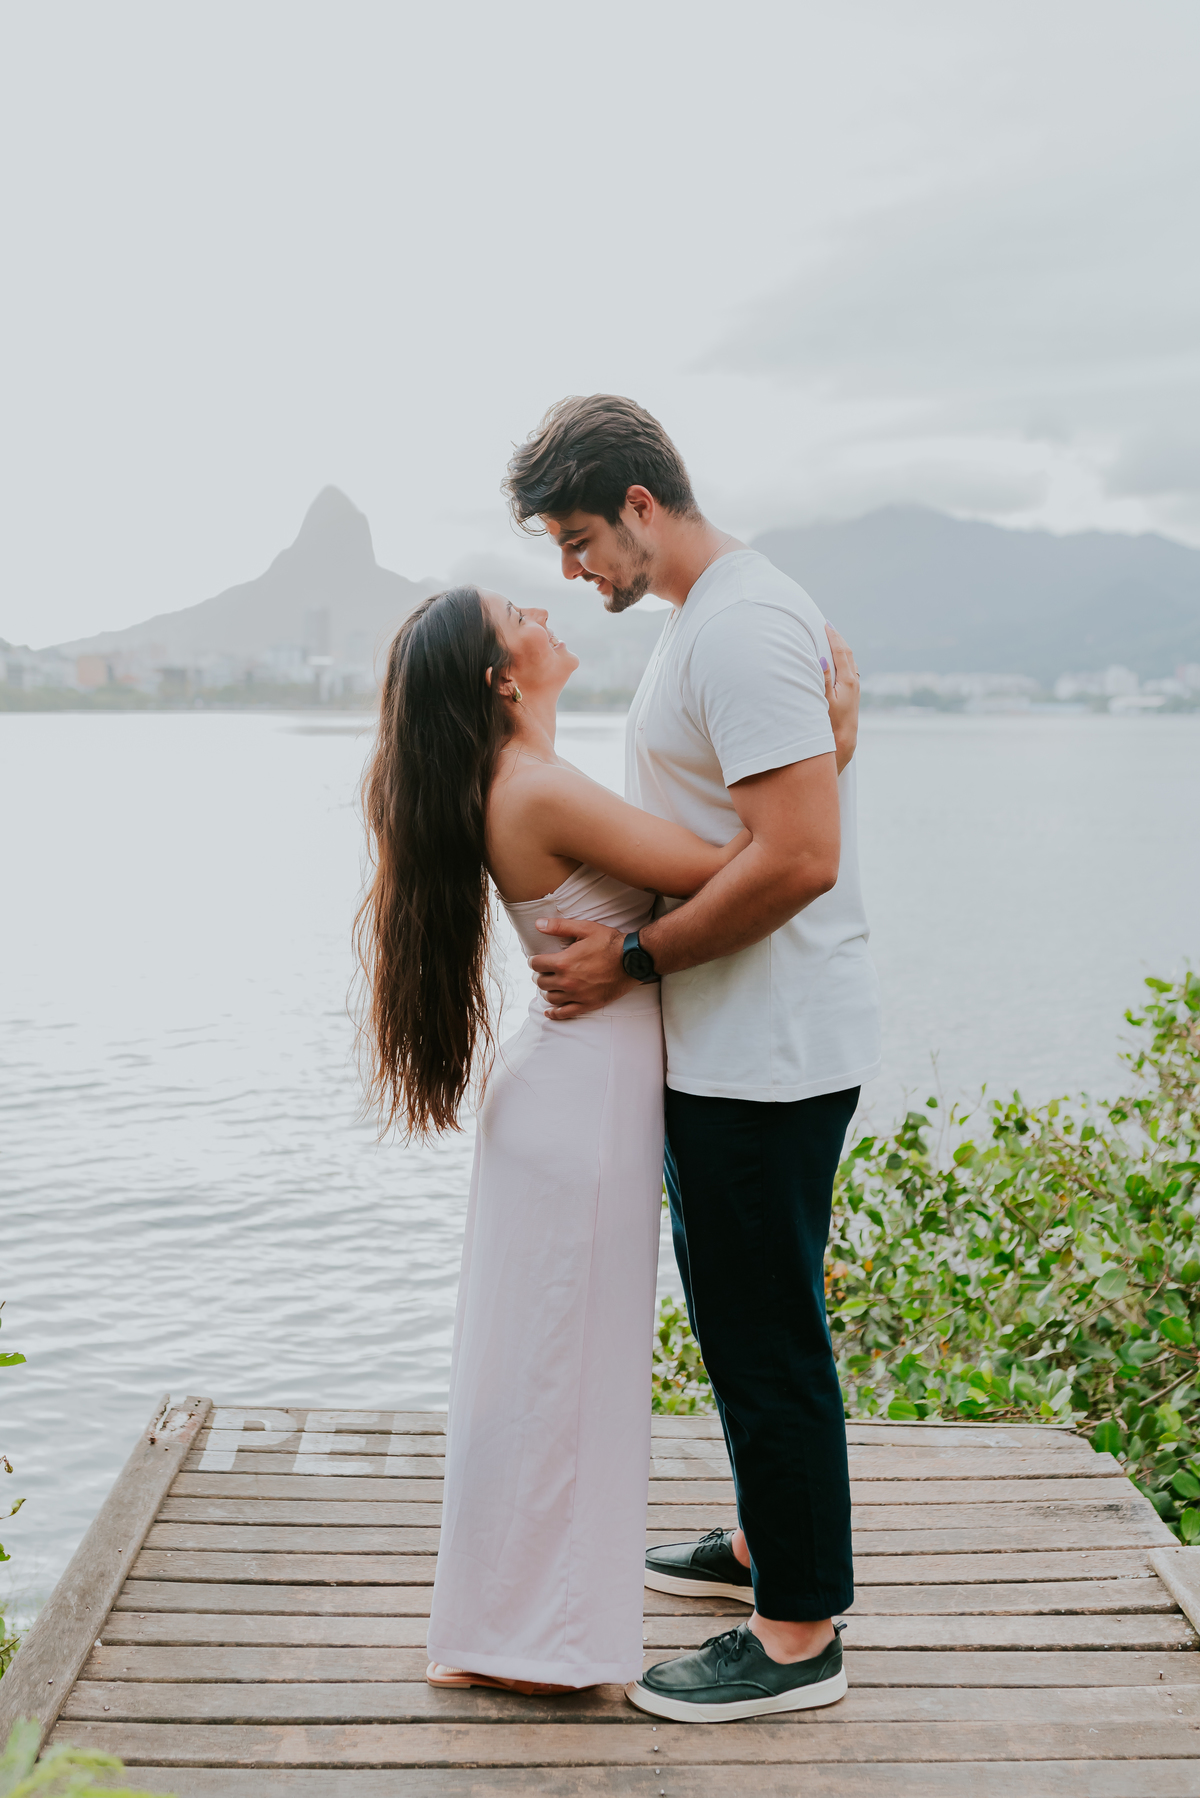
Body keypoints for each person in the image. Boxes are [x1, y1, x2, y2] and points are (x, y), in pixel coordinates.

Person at [355, 581, 859, 1696]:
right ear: (501, 676)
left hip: (574, 1097)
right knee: (561, 1376)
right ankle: (535, 1645)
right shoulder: (536, 787)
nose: (543, 607)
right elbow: (738, 861)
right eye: (517, 610)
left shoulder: (521, 780)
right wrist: (831, 750)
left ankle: (510, 1630)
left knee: (539, 1372)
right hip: (580, 1110)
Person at [504, 394, 881, 1722]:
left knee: (767, 1333)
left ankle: (796, 1637)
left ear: (641, 504)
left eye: (577, 536)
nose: (571, 569)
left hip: (764, 1052)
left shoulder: (742, 622)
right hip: (734, 1043)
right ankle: (761, 1538)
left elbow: (800, 853)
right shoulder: (705, 623)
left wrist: (638, 960)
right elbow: (763, 808)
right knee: (738, 1320)